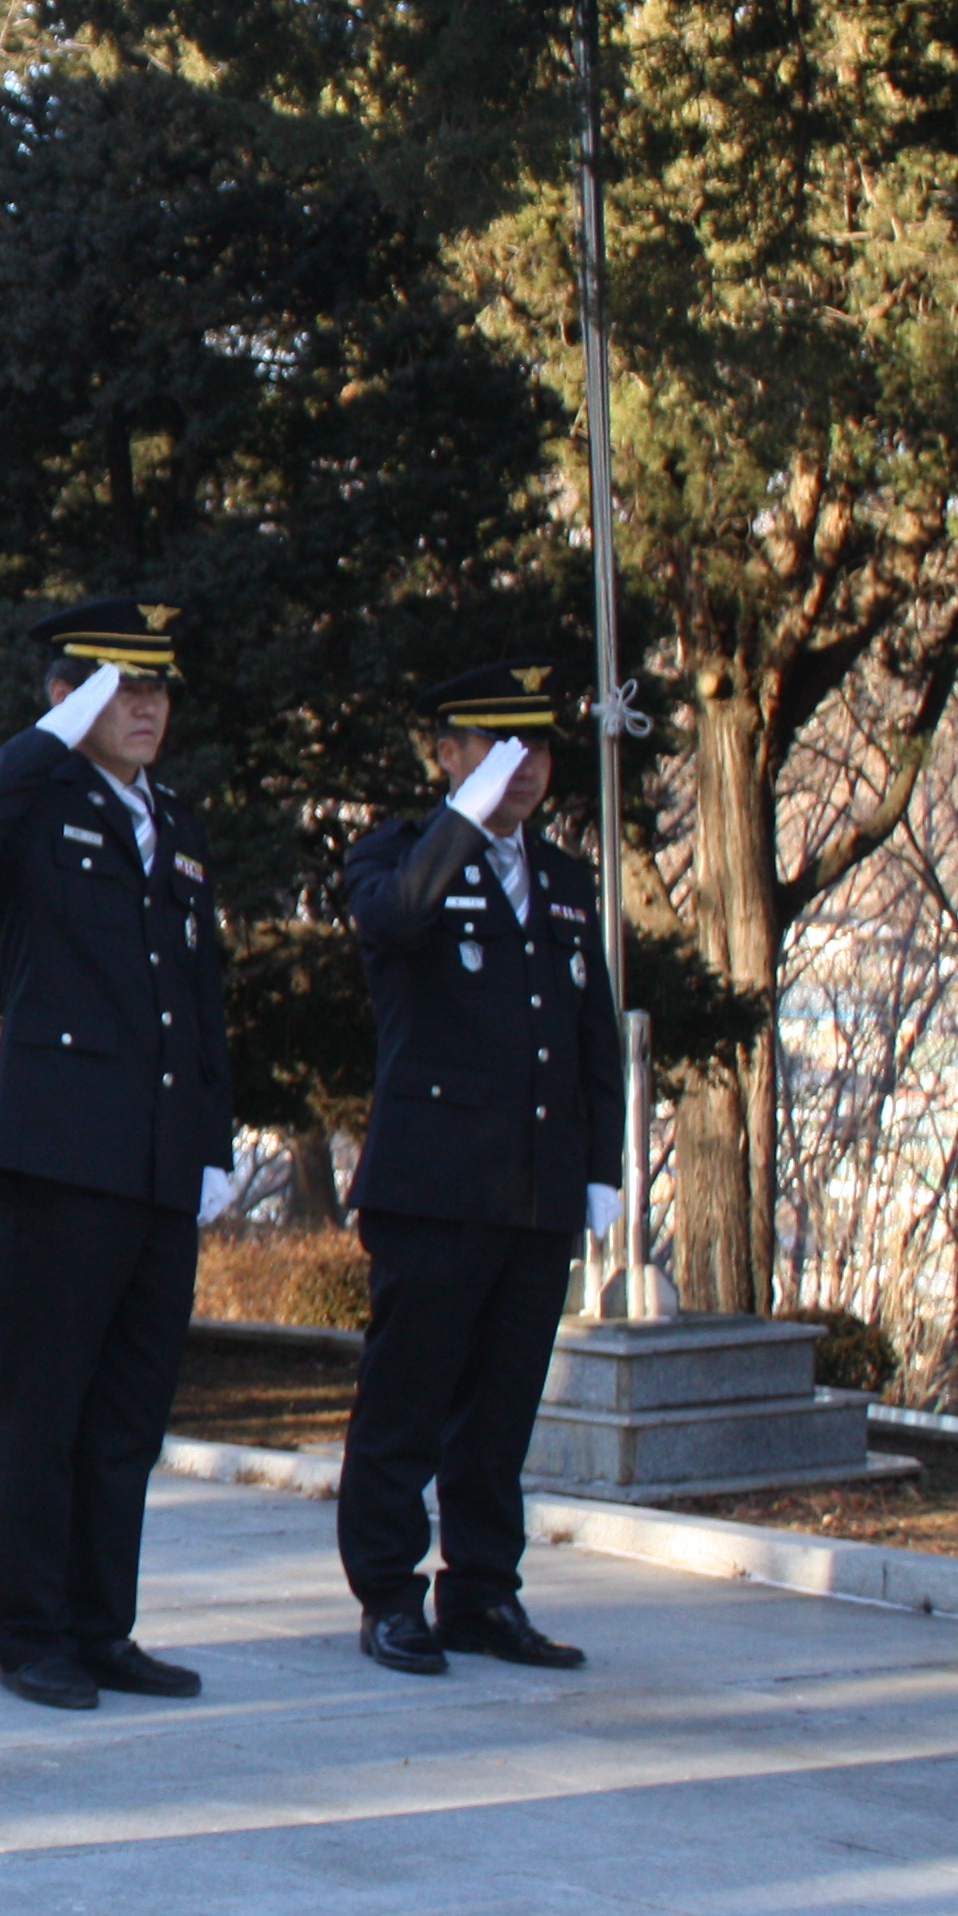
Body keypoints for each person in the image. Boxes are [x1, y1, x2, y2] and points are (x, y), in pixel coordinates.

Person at [0, 599, 236, 1710]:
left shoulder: (175, 823)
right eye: (118, 688)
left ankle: (103, 1624)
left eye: (156, 689)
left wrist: (212, 1139)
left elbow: (200, 996)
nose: (145, 708)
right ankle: (27, 1627)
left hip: (156, 1157)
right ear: (67, 696)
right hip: (57, 1157)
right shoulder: (32, 803)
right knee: (47, 1409)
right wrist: (50, 735)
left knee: (128, 1414)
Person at [336, 663, 622, 1677]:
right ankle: (387, 1591)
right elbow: (395, 919)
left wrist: (601, 1167)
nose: (524, 766)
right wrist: (462, 820)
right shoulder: (398, 856)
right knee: (406, 1403)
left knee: (501, 1411)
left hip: (535, 1189)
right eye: (498, 747)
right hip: (434, 1188)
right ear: (446, 755)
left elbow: (592, 1037)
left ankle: (484, 1590)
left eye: (536, 746)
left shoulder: (567, 881)